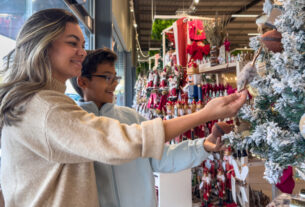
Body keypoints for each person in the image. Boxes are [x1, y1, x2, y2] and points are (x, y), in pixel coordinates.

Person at [0, 8, 247, 207]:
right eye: (72, 43)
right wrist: (206, 113)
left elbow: (160, 155)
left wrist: (203, 145)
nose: (81, 52)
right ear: (43, 44)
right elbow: (119, 142)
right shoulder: (46, 109)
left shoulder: (119, 116)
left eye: (83, 44)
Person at [69, 48, 227, 207]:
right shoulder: (74, 125)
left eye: (115, 77)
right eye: (107, 77)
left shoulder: (130, 118)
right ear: (83, 81)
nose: (115, 83)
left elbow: (162, 157)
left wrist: (203, 146)